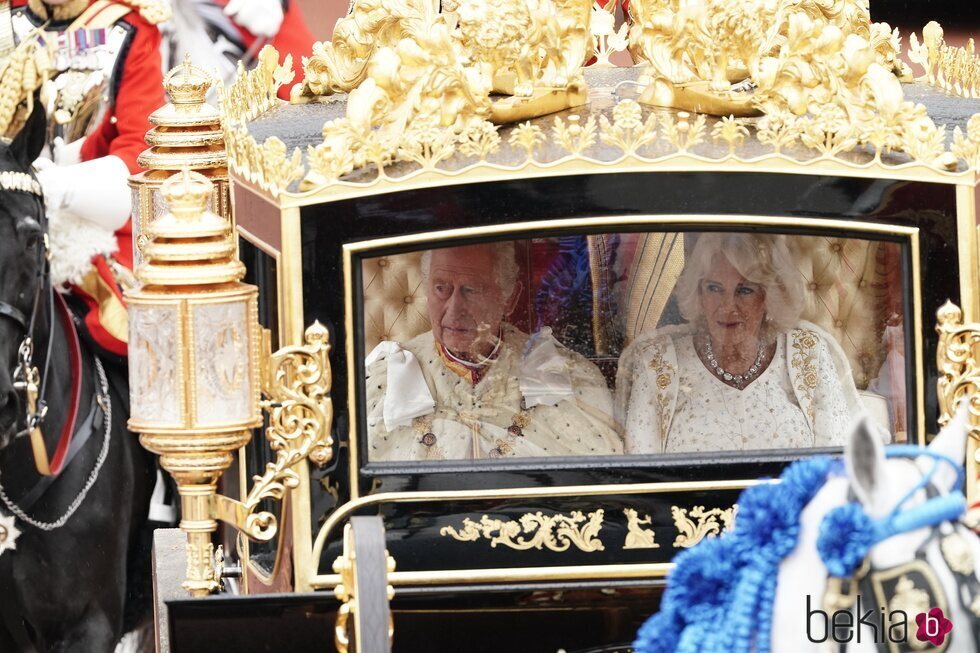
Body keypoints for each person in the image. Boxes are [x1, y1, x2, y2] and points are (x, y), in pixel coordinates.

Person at [366, 242, 623, 461]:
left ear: (509, 298)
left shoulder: (562, 373)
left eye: (471, 290)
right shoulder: (385, 379)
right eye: (441, 288)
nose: (455, 309)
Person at [9, 0, 167, 357]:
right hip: (6, 205)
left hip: (87, 219)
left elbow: (141, 154)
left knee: (135, 336)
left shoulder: (128, 30)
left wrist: (62, 187)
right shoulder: (8, 18)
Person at [616, 233, 863, 454]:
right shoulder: (657, 362)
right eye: (714, 288)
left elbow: (837, 462)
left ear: (769, 297)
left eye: (744, 290)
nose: (727, 306)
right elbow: (642, 472)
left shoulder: (807, 352)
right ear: (699, 294)